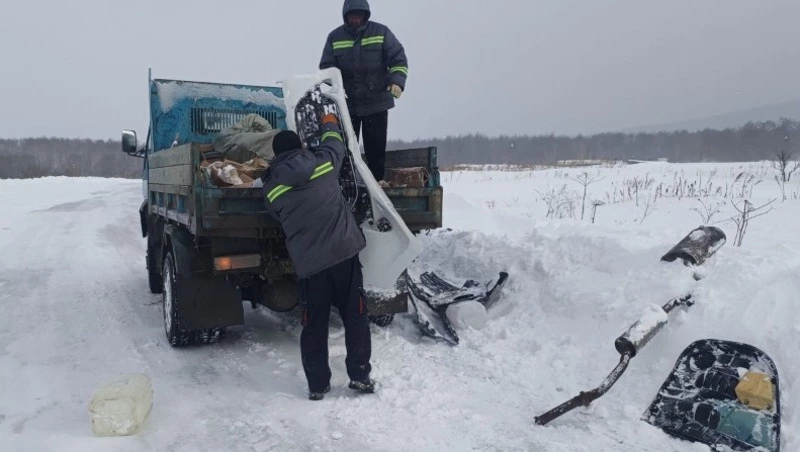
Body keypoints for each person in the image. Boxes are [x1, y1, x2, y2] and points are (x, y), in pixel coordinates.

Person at [259, 113, 374, 401]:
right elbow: (335, 144)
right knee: (355, 315)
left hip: (311, 265)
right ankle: (359, 376)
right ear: (300, 145)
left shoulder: (272, 189)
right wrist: (329, 121)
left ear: (275, 155)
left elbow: (275, 214)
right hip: (344, 253)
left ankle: (318, 385)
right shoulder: (323, 163)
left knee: (314, 323)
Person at [319, 0, 408, 183]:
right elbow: (326, 67)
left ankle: (377, 183)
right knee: (345, 149)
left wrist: (397, 82)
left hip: (376, 103)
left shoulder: (381, 33)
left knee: (375, 149)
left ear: (365, 15)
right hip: (346, 106)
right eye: (352, 16)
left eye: (359, 15)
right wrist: (334, 87)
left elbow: (398, 60)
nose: (355, 19)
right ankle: (346, 186)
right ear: (345, 16)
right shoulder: (334, 37)